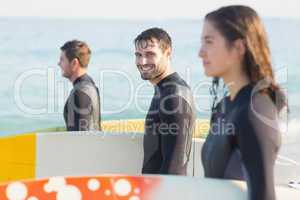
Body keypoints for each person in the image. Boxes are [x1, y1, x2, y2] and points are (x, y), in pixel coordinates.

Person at [199, 5, 287, 200]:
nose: (200, 52)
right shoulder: (224, 107)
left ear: (238, 47)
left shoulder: (255, 111)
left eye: (209, 42)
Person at [134, 28, 196, 175]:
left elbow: (175, 165)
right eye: (138, 55)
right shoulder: (164, 90)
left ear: (168, 53)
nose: (142, 61)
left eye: (150, 54)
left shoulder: (173, 97)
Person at [58, 40, 101, 131]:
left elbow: (81, 136)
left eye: (62, 59)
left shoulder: (80, 92)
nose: (59, 63)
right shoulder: (90, 84)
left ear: (74, 63)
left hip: (86, 144)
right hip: (95, 144)